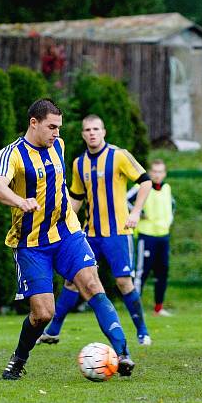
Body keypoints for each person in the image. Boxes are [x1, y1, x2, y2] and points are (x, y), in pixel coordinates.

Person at [0, 99, 135, 380]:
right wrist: (20, 201)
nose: (57, 133)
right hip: (31, 244)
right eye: (51, 127)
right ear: (34, 122)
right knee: (43, 314)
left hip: (67, 233)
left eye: (59, 127)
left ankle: (123, 353)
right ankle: (18, 359)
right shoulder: (12, 154)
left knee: (92, 284)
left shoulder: (58, 145)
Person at [38, 115, 152, 345]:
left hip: (118, 233)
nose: (92, 133)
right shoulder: (79, 163)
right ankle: (53, 331)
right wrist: (61, 220)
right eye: (87, 129)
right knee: (73, 281)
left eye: (96, 129)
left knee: (123, 282)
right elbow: (77, 198)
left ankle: (142, 332)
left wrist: (136, 212)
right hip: (90, 234)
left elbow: (146, 181)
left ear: (104, 132)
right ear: (82, 134)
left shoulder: (119, 155)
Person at [131, 159, 174, 317]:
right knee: (142, 272)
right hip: (146, 236)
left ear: (164, 173)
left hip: (163, 236)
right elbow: (125, 200)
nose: (157, 175)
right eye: (154, 171)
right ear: (149, 173)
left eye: (160, 171)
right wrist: (137, 212)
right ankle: (134, 308)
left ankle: (158, 308)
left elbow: (172, 205)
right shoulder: (141, 187)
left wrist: (169, 221)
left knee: (162, 272)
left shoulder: (167, 188)